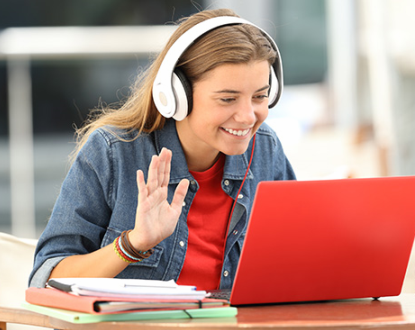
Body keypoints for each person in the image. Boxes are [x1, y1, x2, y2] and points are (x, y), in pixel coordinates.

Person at [29, 8, 296, 291]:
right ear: (176, 94)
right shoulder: (112, 153)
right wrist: (132, 244)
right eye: (227, 99)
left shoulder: (265, 148)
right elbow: (45, 281)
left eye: (260, 96)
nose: (247, 116)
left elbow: (297, 256)